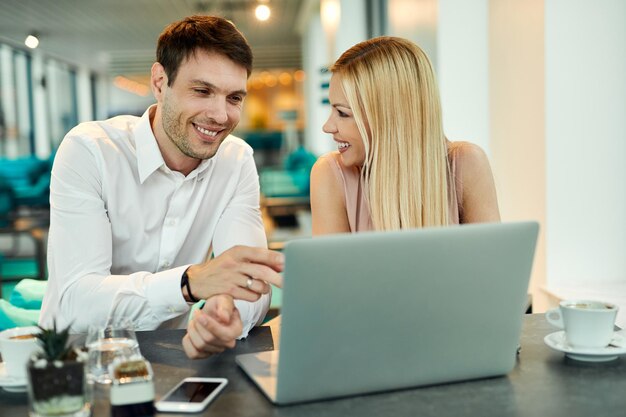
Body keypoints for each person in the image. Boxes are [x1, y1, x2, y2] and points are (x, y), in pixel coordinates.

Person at [39, 15, 283, 359]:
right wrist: (189, 283)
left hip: (174, 359)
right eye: (202, 91)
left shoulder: (236, 160)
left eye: (234, 98)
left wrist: (227, 316)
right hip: (75, 367)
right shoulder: (89, 150)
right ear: (159, 82)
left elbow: (248, 281)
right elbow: (77, 301)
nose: (220, 114)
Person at [310, 37, 500, 234]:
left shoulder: (466, 163)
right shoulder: (330, 174)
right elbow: (331, 266)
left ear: (387, 116)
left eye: (342, 113)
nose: (327, 126)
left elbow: (494, 261)